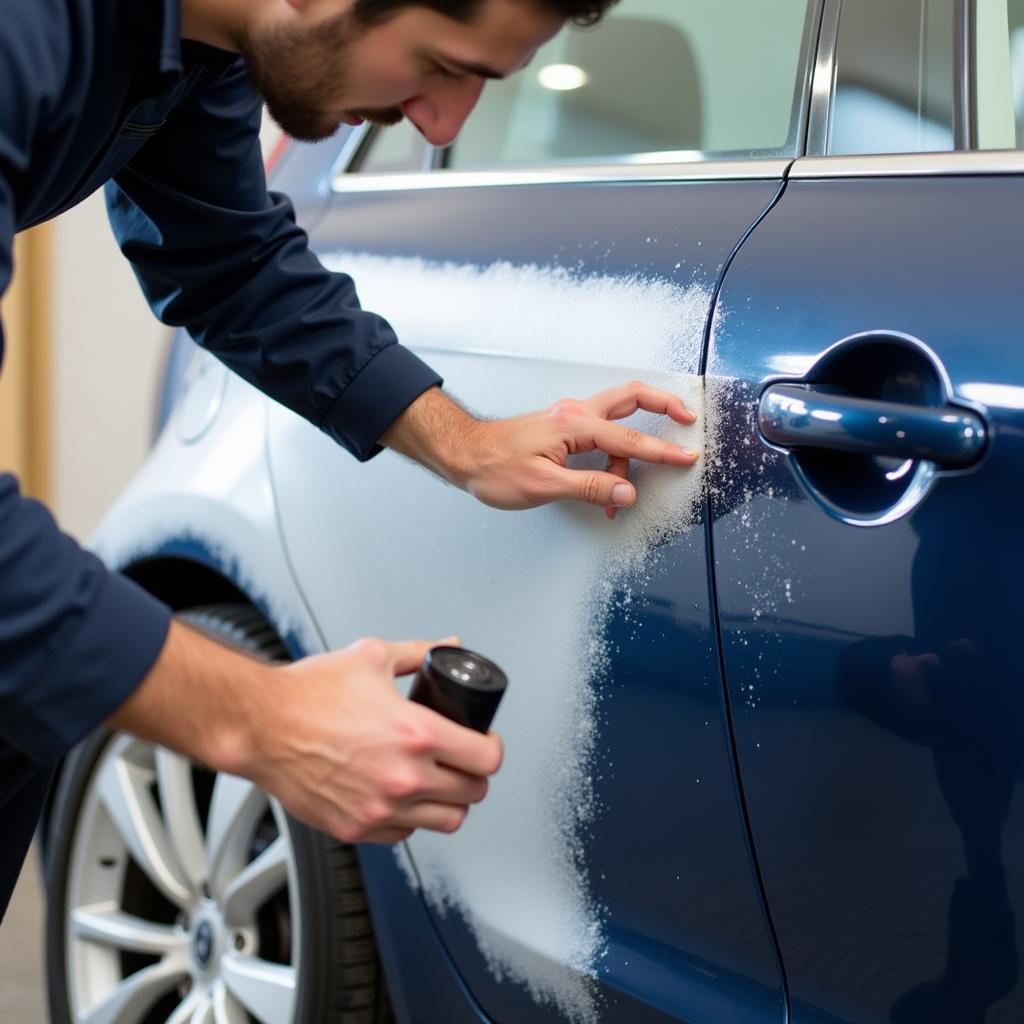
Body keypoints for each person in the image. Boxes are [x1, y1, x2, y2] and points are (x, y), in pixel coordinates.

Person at [0, 0, 700, 919]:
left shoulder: (207, 44)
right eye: (448, 66)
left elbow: (227, 259)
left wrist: (467, 443)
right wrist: (266, 719)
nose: (443, 124)